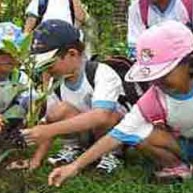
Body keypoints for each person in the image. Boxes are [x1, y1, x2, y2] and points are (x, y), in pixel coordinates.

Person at [48, 21, 193, 193]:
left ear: (190, 64)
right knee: (135, 133)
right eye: (154, 77)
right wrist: (74, 166)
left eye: (164, 74)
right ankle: (177, 167)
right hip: (185, 147)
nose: (158, 82)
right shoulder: (154, 98)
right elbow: (116, 135)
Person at [9, 20, 126, 173]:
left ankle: (111, 154)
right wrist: (36, 160)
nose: (46, 70)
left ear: (72, 54)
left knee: (108, 115)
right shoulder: (56, 82)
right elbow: (50, 121)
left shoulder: (101, 73)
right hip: (87, 133)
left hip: (114, 135)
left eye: (49, 64)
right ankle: (74, 147)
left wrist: (49, 130)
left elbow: (101, 116)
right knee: (58, 110)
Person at [127, 0, 193, 62]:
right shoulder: (137, 7)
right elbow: (136, 47)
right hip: (156, 64)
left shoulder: (191, 2)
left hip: (188, 62)